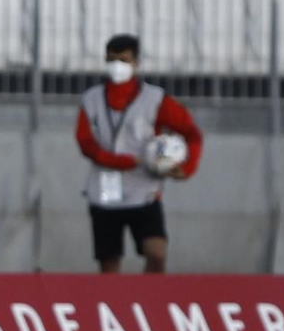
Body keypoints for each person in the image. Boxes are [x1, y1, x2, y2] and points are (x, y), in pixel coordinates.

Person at [75, 34, 203, 274]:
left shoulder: (155, 99)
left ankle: (149, 294)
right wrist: (117, 161)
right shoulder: (92, 99)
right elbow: (85, 142)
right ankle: (114, 298)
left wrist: (187, 167)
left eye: (123, 60)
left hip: (144, 187)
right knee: (109, 264)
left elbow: (192, 133)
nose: (117, 66)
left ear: (136, 62)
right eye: (111, 60)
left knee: (157, 253)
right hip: (105, 188)